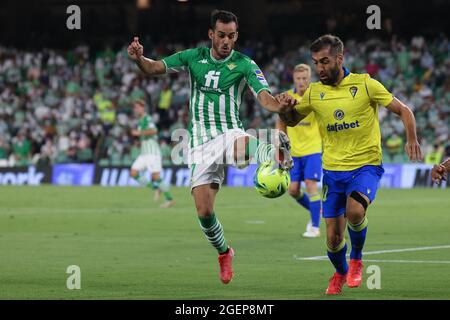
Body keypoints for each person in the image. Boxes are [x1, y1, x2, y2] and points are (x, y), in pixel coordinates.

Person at [127, 9, 295, 284]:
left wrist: (281, 106)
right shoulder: (193, 57)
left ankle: (274, 153)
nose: (226, 41)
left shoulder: (245, 64)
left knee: (242, 145)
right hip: (198, 143)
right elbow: (154, 67)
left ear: (236, 36)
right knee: (204, 212)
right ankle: (224, 252)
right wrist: (138, 59)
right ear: (211, 35)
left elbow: (264, 97)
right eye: (221, 35)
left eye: (231, 36)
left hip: (228, 131)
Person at [279, 34, 423, 295]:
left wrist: (411, 138)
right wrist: (285, 108)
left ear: (339, 58)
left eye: (325, 61)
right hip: (332, 172)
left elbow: (404, 110)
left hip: (365, 166)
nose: (320, 68)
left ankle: (356, 258)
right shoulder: (314, 92)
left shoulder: (365, 84)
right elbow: (290, 120)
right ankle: (341, 272)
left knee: (355, 211)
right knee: (333, 239)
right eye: (316, 63)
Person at [276, 64, 323, 238]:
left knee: (311, 186)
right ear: (294, 79)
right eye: (298, 78)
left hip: (313, 149)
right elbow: (281, 121)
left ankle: (315, 227)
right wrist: (280, 145)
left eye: (305, 78)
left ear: (309, 78)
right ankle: (316, 209)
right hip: (294, 152)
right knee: (293, 190)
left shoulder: (316, 96)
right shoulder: (288, 98)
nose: (302, 82)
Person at [129, 99, 175, 208]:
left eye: (137, 107)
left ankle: (170, 199)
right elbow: (146, 135)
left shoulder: (147, 118)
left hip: (152, 152)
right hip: (144, 153)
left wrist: (138, 133)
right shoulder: (140, 121)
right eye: (134, 108)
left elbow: (154, 131)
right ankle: (156, 188)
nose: (135, 109)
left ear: (142, 108)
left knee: (156, 176)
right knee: (133, 173)